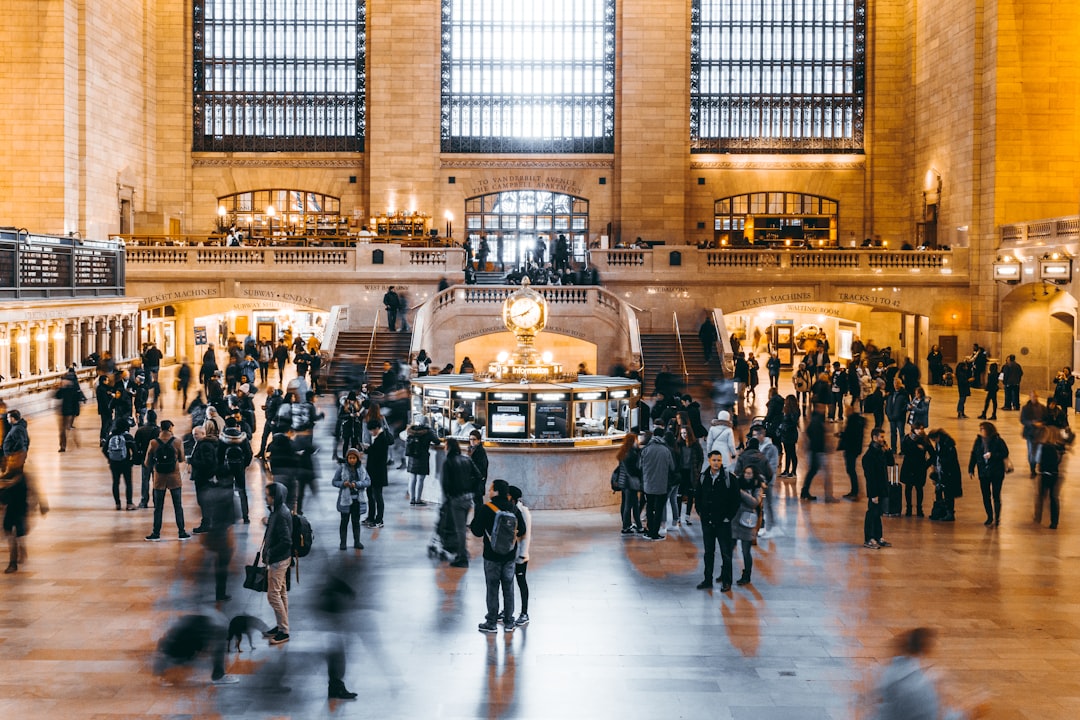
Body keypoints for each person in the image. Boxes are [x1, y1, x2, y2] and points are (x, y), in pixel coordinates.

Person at [870, 627, 985, 720]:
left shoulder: (885, 670)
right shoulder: (923, 685)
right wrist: (970, 712)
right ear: (925, 650)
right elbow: (932, 716)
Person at [471, 479, 527, 633]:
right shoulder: (513, 509)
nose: (489, 491)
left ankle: (491, 623)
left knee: (492, 588)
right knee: (508, 588)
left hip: (491, 556)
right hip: (509, 556)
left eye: (491, 488)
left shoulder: (487, 508)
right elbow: (522, 530)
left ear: (495, 491)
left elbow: (476, 531)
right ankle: (509, 622)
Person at [695, 450, 741, 591]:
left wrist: (728, 517)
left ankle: (727, 581)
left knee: (725, 553)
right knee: (708, 552)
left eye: (719, 460)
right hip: (707, 522)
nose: (717, 463)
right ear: (709, 460)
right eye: (714, 460)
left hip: (723, 523)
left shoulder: (729, 478)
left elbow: (735, 500)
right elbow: (698, 497)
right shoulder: (703, 477)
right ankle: (707, 579)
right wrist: (701, 513)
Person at [143, 420, 190, 541]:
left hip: (159, 478)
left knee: (158, 507)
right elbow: (181, 459)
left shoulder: (153, 443)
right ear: (170, 428)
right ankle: (181, 532)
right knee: (178, 505)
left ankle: (156, 533)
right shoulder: (177, 441)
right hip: (174, 477)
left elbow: (147, 462)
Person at [440, 437, 481, 568]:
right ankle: (462, 552)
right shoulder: (466, 459)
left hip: (456, 498)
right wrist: (472, 489)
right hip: (468, 497)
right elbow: (478, 476)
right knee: (462, 527)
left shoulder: (448, 462)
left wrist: (448, 497)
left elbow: (445, 483)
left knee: (460, 529)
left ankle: (462, 557)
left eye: (446, 446)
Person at [262, 482, 293, 645]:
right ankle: (282, 626)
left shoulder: (280, 514)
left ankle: (284, 631)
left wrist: (270, 552)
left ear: (275, 497)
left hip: (278, 560)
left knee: (273, 595)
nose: (265, 497)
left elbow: (286, 541)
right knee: (280, 593)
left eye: (267, 495)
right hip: (282, 558)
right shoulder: (278, 511)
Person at [967, 421, 1010, 527]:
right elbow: (974, 454)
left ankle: (997, 518)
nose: (981, 431)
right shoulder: (978, 441)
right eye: (980, 429)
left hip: (996, 472)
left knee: (996, 495)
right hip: (983, 472)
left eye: (983, 429)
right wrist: (971, 468)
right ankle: (989, 516)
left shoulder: (998, 440)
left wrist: (993, 455)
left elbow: (1005, 453)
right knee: (986, 495)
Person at [861, 427, 895, 549]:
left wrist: (888, 451)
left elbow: (891, 463)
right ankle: (869, 538)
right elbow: (870, 478)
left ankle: (878, 536)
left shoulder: (881, 452)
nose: (883, 439)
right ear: (874, 437)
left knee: (878, 513)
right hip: (875, 490)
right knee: (872, 513)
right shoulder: (869, 456)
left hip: (883, 488)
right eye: (881, 437)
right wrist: (873, 494)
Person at [640, 426, 675, 540]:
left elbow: (640, 466)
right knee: (659, 509)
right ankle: (655, 532)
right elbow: (672, 467)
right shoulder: (666, 450)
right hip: (662, 484)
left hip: (648, 484)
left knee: (649, 507)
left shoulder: (646, 449)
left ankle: (649, 531)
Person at [732, 464, 764, 586]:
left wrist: (741, 492)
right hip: (735, 520)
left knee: (746, 551)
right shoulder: (738, 482)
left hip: (748, 522)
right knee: (729, 548)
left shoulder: (757, 487)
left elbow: (754, 502)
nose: (747, 475)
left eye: (749, 473)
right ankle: (725, 572)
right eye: (745, 473)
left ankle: (746, 575)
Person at [333, 448, 370, 550]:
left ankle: (357, 542)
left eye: (354, 458)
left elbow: (368, 481)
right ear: (347, 458)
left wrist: (357, 484)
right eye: (350, 458)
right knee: (344, 521)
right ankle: (343, 543)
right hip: (345, 500)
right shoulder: (341, 468)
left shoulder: (362, 469)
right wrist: (342, 484)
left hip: (357, 500)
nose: (352, 460)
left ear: (357, 459)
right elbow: (334, 481)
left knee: (356, 522)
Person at [508, 485, 531, 627]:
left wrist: (522, 554)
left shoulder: (522, 511)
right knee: (508, 583)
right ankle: (507, 610)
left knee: (521, 583)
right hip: (513, 554)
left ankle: (524, 613)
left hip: (520, 555)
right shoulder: (515, 509)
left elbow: (525, 535)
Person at [927, 429, 962, 522]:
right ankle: (940, 512)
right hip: (941, 472)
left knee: (948, 493)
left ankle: (949, 513)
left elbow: (950, 459)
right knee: (939, 491)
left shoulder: (948, 445)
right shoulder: (940, 444)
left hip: (948, 473)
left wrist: (940, 461)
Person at [103, 418, 137, 511]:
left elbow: (104, 449)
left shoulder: (111, 437)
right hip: (126, 463)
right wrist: (132, 461)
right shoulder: (128, 437)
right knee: (128, 483)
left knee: (115, 483)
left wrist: (110, 458)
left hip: (114, 463)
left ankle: (118, 504)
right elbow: (135, 450)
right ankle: (129, 503)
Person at [405, 417, 441, 505]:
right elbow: (437, 441)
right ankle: (418, 499)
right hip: (422, 457)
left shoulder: (411, 430)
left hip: (412, 457)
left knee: (412, 478)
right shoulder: (428, 432)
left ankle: (412, 499)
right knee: (420, 479)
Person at [363, 419, 391, 528]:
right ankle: (371, 517)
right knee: (370, 495)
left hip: (378, 473)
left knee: (378, 496)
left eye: (371, 431)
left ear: (376, 429)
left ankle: (379, 519)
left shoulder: (382, 438)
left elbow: (378, 455)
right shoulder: (379, 438)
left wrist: (368, 449)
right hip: (373, 472)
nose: (370, 433)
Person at [900, 424, 932, 517]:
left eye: (921, 429)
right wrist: (916, 446)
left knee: (919, 488)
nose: (919, 431)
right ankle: (908, 508)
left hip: (920, 467)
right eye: (917, 429)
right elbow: (904, 450)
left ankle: (919, 508)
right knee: (908, 487)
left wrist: (926, 465)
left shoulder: (925, 440)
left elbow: (932, 454)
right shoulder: (907, 438)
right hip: (909, 466)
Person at [616, 433, 643, 533]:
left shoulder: (623, 452)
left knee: (626, 504)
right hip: (630, 483)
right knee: (631, 504)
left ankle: (629, 525)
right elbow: (633, 470)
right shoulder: (631, 454)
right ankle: (627, 526)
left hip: (623, 482)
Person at [838, 404, 867, 500]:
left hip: (851, 449)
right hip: (854, 449)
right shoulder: (857, 420)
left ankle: (855, 491)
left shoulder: (852, 421)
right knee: (851, 470)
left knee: (851, 470)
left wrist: (841, 435)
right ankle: (855, 490)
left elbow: (850, 435)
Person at [134, 409, 159, 508]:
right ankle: (156, 501)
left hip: (145, 458)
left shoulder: (141, 430)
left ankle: (144, 501)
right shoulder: (159, 430)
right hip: (157, 459)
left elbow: (136, 445)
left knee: (145, 480)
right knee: (156, 480)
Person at [56, 367, 85, 452]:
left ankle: (72, 443)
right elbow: (58, 396)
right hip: (65, 411)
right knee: (64, 430)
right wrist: (60, 388)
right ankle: (65, 445)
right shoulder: (66, 388)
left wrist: (76, 412)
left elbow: (76, 401)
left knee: (66, 428)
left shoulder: (72, 389)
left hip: (70, 412)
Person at [3, 409, 30, 474]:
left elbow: (20, 442)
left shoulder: (17, 429)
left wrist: (12, 452)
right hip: (16, 456)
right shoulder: (18, 426)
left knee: (15, 474)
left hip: (15, 457)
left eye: (8, 417)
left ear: (13, 418)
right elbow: (27, 440)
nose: (7, 419)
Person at [468, 429, 489, 508]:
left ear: (479, 440)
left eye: (474, 439)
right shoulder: (471, 449)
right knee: (476, 501)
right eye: (470, 439)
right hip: (474, 479)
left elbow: (482, 466)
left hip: (478, 480)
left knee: (478, 501)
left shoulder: (480, 451)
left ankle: (478, 518)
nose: (472, 441)